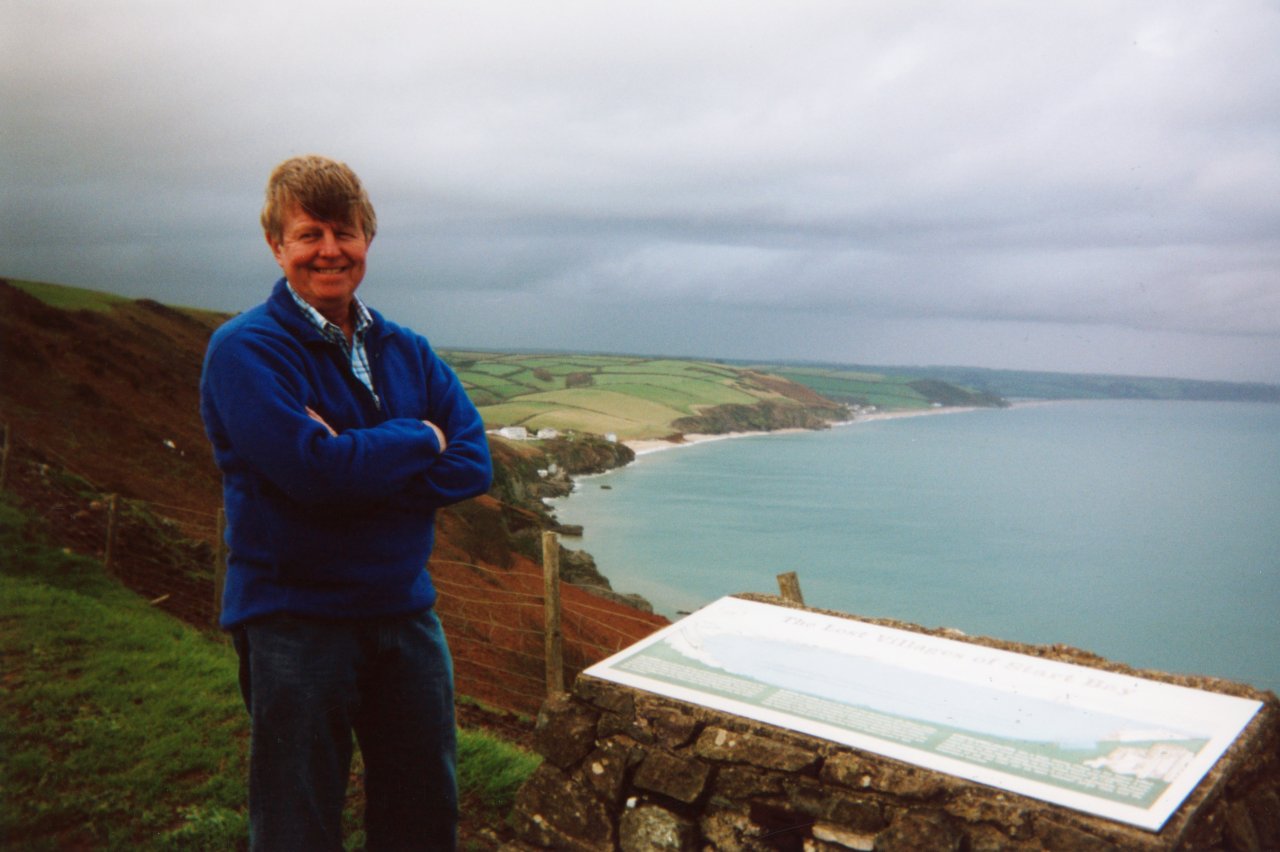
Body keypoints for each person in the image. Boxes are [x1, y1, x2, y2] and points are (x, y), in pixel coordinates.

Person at [200, 154, 492, 850]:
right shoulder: (244, 351)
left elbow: (473, 462)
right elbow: (313, 475)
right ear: (277, 246)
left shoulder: (407, 349)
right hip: (295, 621)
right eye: (309, 234)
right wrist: (420, 434)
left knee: (423, 815)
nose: (329, 250)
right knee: (297, 821)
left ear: (367, 239)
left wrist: (354, 463)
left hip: (405, 615)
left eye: (345, 231)